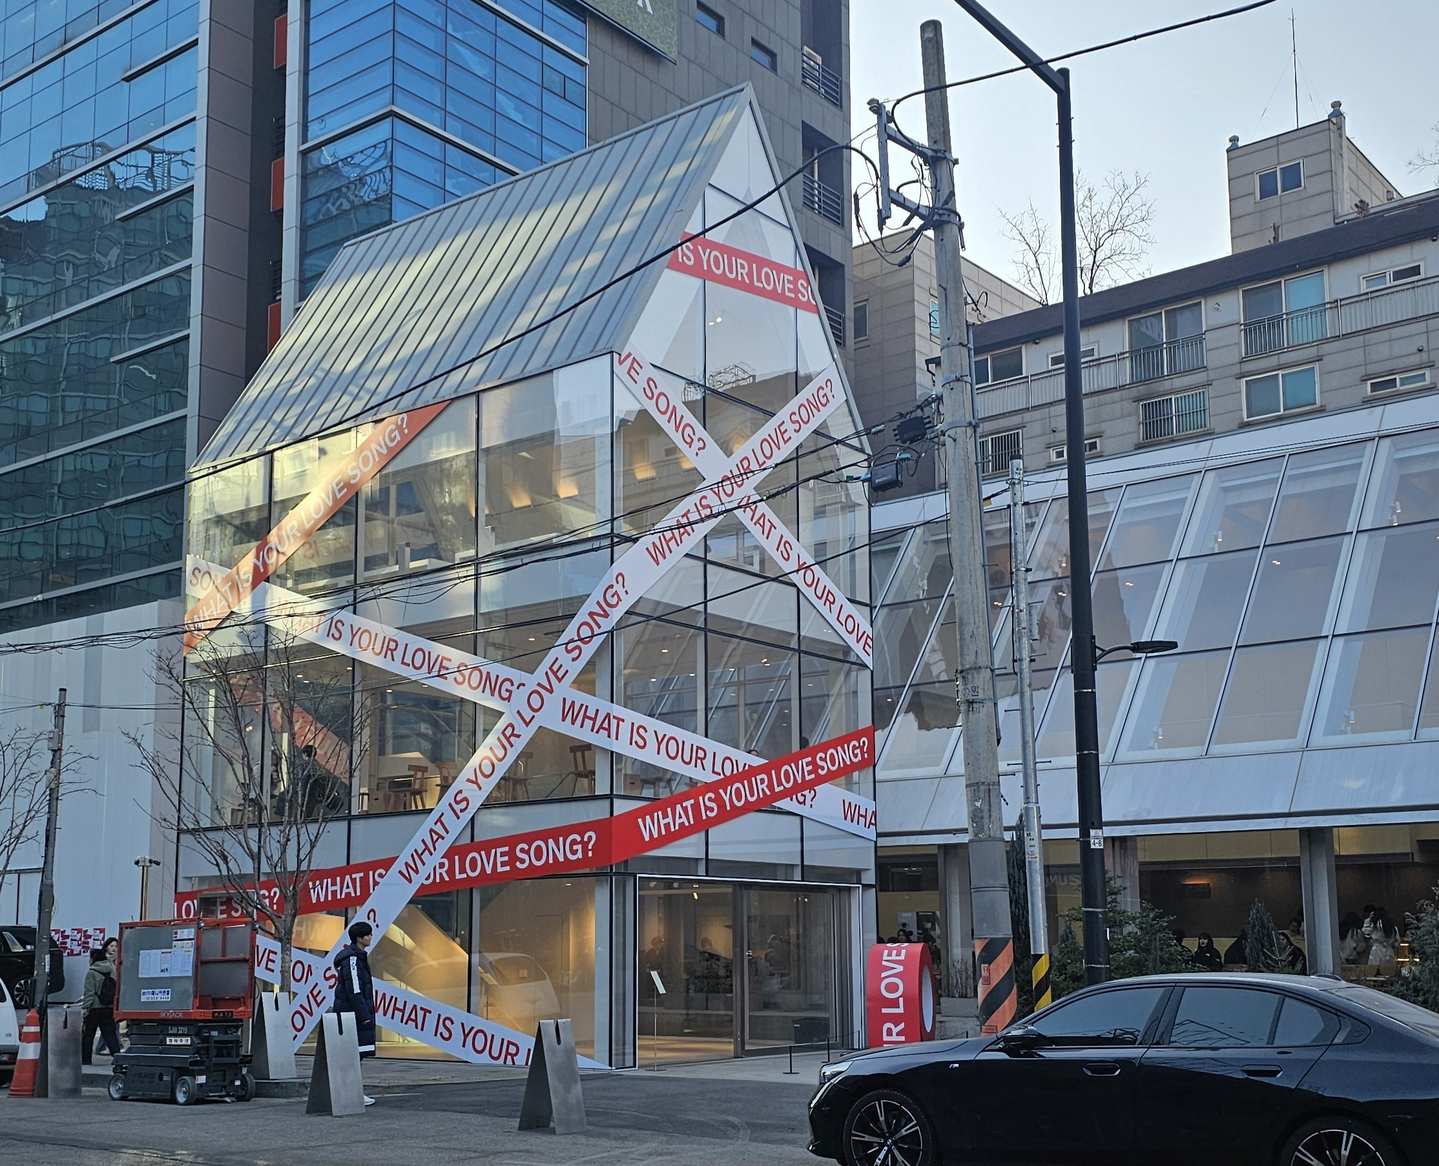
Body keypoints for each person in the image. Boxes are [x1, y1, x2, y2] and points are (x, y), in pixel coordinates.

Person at [333, 920, 377, 1106]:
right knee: (353, 1054)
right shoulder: (353, 960)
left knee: (354, 1054)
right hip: (352, 1015)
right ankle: (352, 1093)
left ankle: (352, 1092)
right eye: (368, 934)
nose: (370, 937)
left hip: (352, 1013)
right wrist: (364, 1015)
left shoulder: (357, 958)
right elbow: (355, 989)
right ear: (359, 938)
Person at [81, 938, 121, 1065]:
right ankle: (117, 1056)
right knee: (110, 1034)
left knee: (88, 1035)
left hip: (94, 1008)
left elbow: (89, 993)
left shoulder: (91, 973)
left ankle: (86, 1059)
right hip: (108, 1006)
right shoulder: (112, 969)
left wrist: (86, 1008)